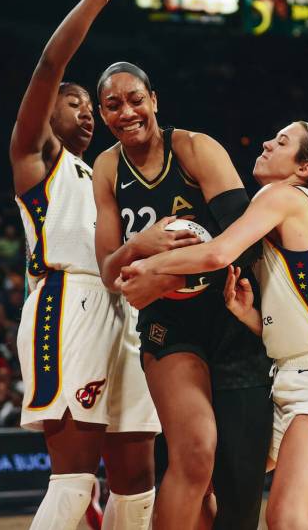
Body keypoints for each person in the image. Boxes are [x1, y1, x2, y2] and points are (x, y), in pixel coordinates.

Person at [114, 121, 308, 530]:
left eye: (281, 142)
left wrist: (149, 264)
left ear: (304, 168)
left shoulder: (280, 195)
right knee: (206, 479)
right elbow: (296, 325)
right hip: (289, 377)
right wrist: (252, 316)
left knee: (287, 519)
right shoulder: (290, 208)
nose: (267, 142)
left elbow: (216, 255)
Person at [9, 0, 161, 530]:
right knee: (74, 484)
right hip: (66, 304)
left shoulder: (107, 175)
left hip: (124, 306)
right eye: (75, 102)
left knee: (136, 485)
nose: (86, 114)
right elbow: (51, 61)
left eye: (87, 106)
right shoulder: (35, 158)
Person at [92, 67, 273, 530]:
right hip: (170, 327)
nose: (127, 112)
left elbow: (247, 244)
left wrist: (164, 270)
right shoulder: (108, 168)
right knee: (195, 452)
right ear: (102, 113)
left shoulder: (196, 149)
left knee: (233, 481)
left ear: (154, 99)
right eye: (113, 105)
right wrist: (140, 247)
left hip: (231, 316)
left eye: (135, 99)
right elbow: (111, 272)